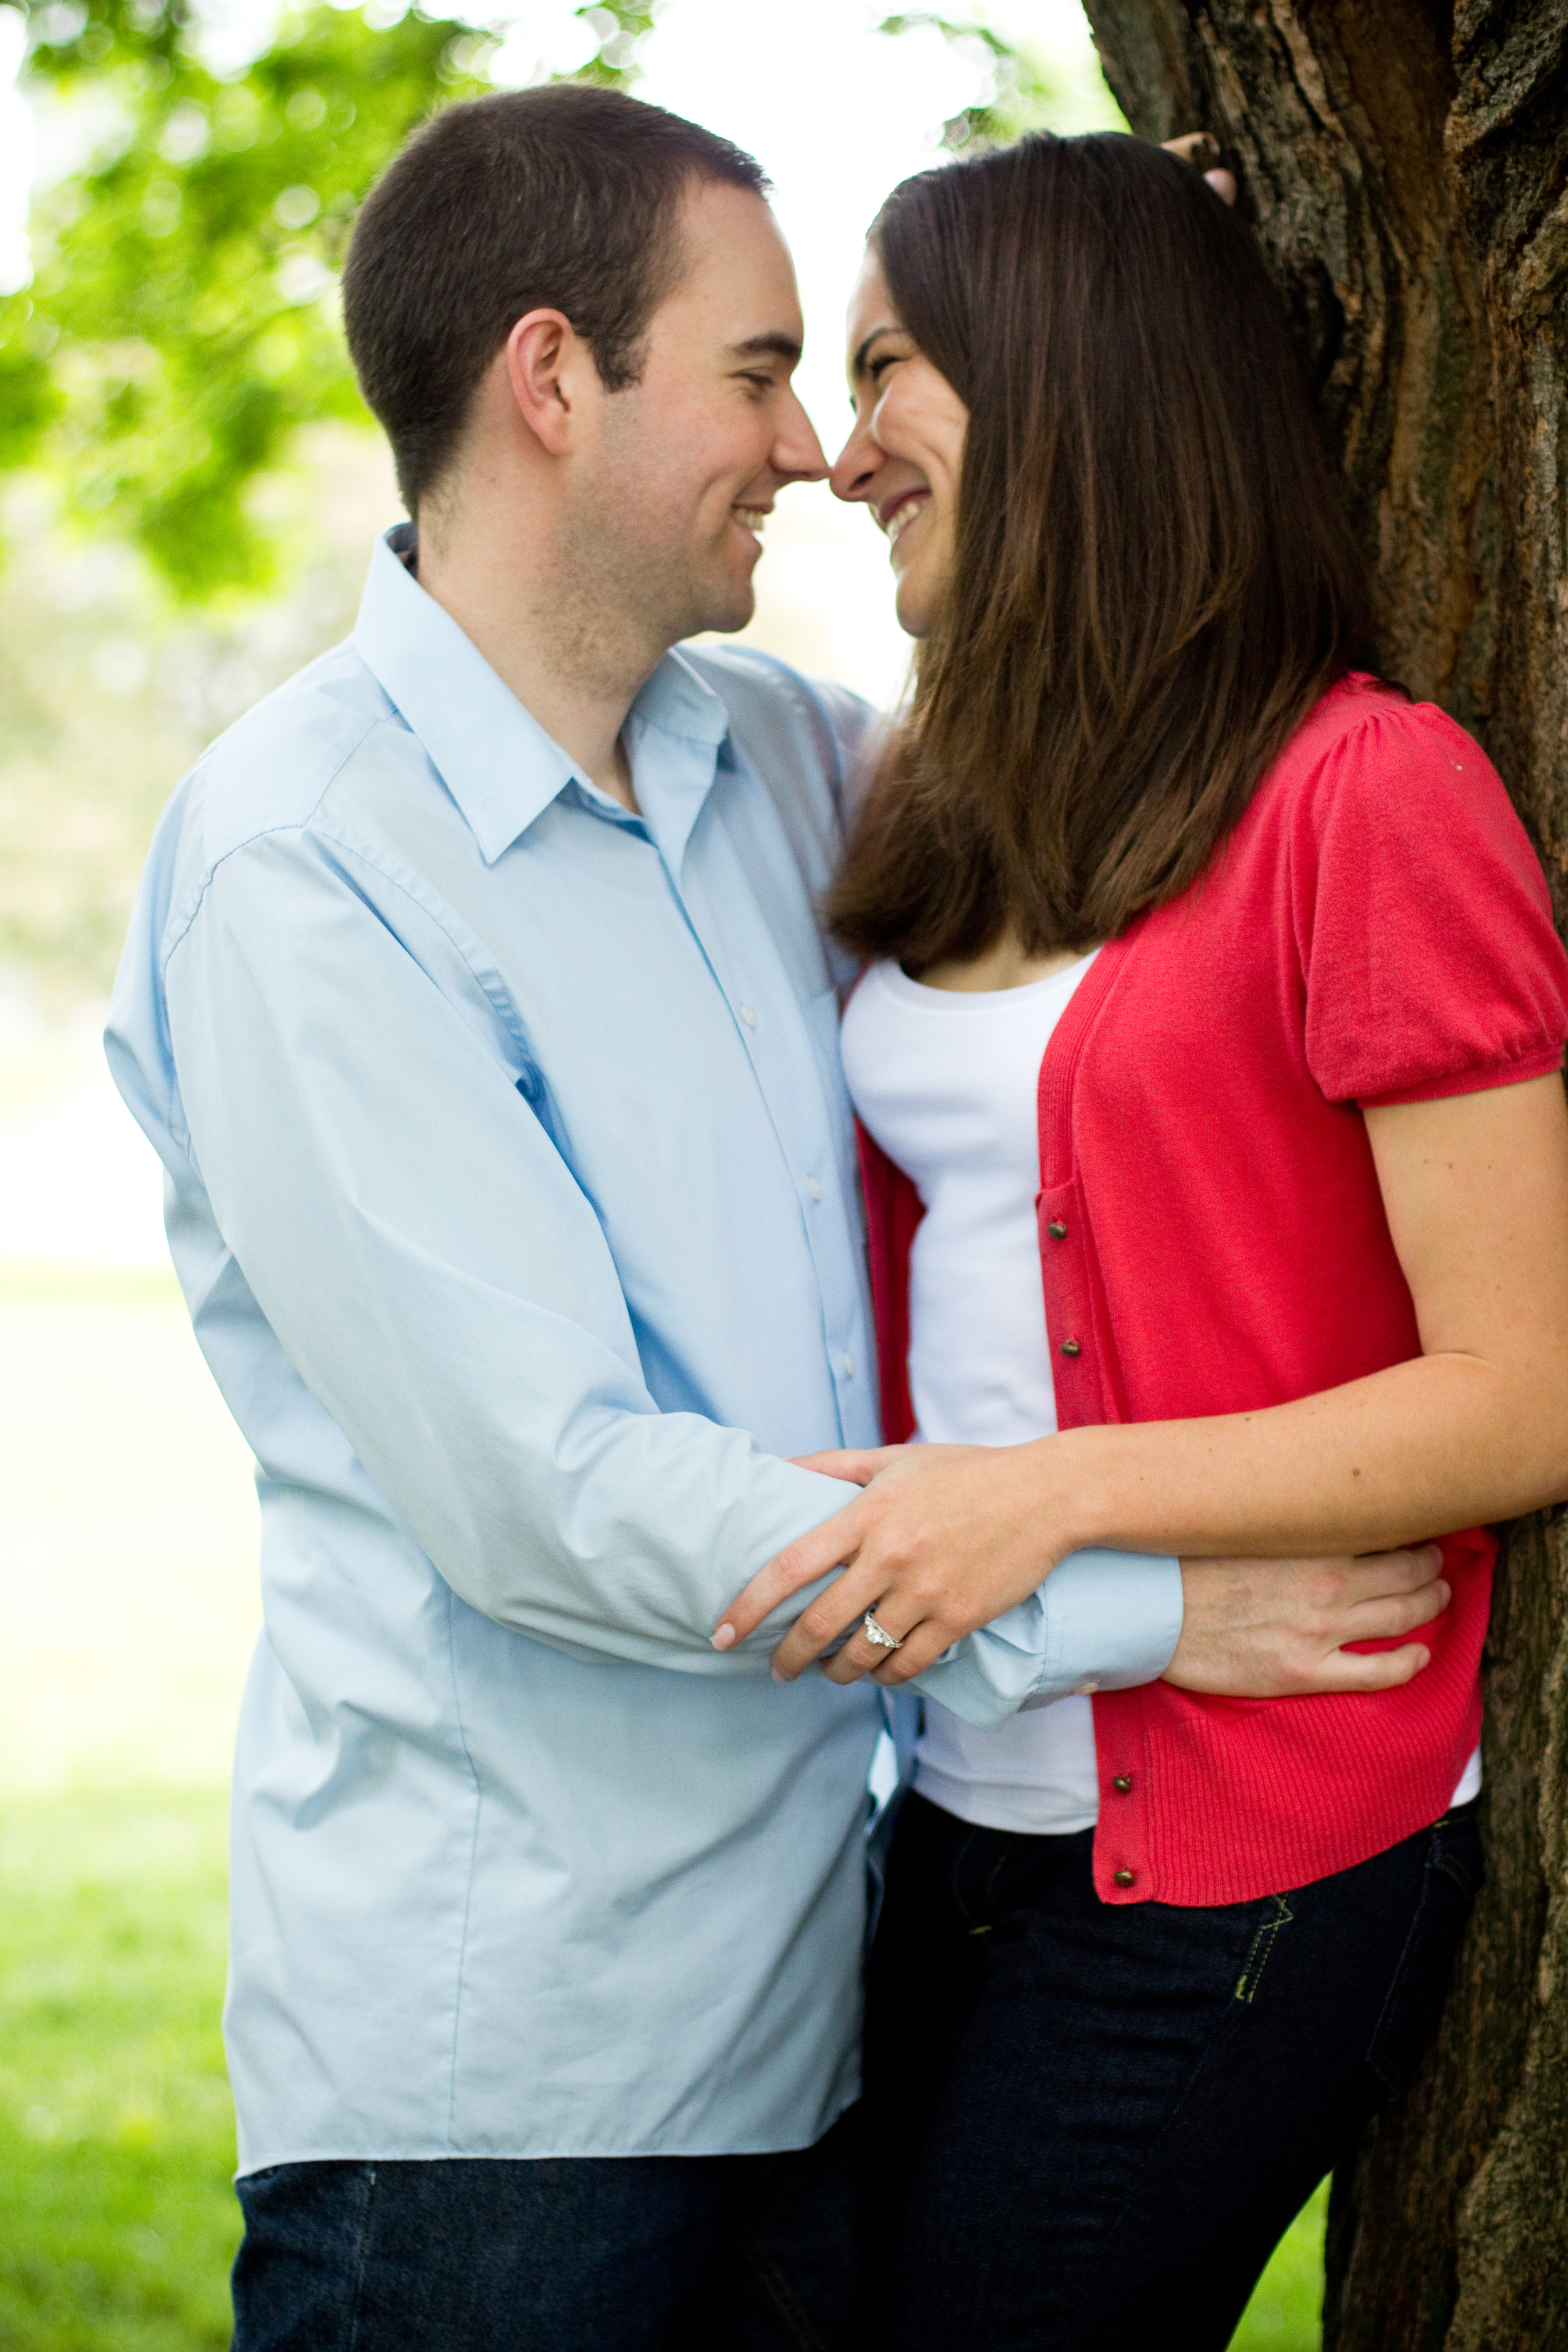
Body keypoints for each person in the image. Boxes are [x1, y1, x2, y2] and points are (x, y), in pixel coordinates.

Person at [107, 88, 1453, 2349]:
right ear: (553, 382)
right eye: (753, 373)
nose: (813, 449)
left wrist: (1114, 310)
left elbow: (1097, 741)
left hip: (811, 2017)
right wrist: (1122, 1607)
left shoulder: (783, 765)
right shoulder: (303, 866)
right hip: (501, 2085)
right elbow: (553, 1493)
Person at [714, 131, 1568, 2348]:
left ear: (1067, 373)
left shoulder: (1364, 796)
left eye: (890, 364)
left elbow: (1526, 1386)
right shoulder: (932, 784)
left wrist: (1050, 1503)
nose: (837, 453)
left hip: (1259, 1845)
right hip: (967, 1798)